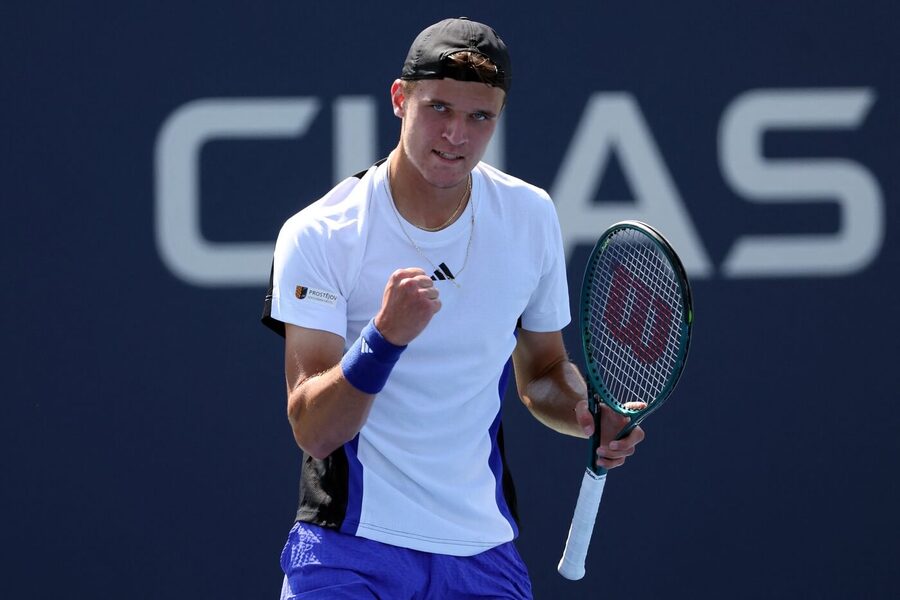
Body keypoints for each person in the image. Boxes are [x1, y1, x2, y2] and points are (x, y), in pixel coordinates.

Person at [262, 17, 645, 599]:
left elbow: (542, 373)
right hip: (348, 550)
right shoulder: (320, 234)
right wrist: (383, 340)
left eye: (479, 116)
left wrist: (586, 415)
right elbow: (314, 431)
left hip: (481, 555)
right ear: (400, 99)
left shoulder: (529, 216)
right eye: (439, 108)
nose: (456, 135)